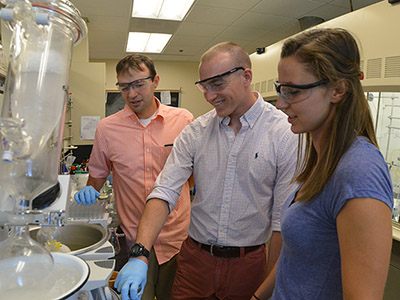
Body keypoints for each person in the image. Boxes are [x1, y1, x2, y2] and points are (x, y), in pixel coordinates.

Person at [114, 42, 298, 300]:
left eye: (218, 85)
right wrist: (140, 253)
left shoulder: (283, 133)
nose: (210, 96)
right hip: (195, 262)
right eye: (204, 87)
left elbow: (282, 224)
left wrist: (270, 288)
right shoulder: (196, 132)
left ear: (246, 76)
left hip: (248, 263)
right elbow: (164, 191)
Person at [252, 28, 394, 300]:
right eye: (280, 90)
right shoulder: (321, 158)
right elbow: (296, 255)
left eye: (293, 92)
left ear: (338, 90)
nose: (281, 104)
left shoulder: (359, 171)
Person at [74, 54, 194, 300]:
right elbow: (97, 175)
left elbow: (193, 177)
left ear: (155, 81)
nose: (132, 93)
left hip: (179, 239)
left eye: (139, 84)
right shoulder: (107, 129)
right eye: (124, 87)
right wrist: (90, 191)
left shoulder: (184, 121)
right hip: (135, 241)